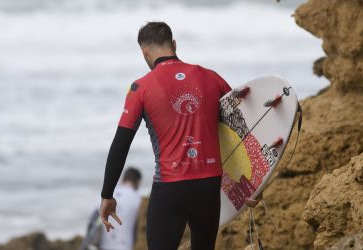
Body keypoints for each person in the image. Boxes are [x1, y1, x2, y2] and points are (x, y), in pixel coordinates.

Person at [100, 22, 258, 250]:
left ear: (144, 52)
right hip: (208, 186)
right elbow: (239, 129)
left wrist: (107, 194)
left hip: (170, 187)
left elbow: (121, 144)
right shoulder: (211, 77)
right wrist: (250, 183)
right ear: (174, 45)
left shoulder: (140, 88)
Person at [81, 168, 142, 250]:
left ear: (123, 179)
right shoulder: (138, 198)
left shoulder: (105, 196)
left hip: (103, 246)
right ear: (138, 182)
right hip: (124, 246)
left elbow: (92, 223)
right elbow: (139, 228)